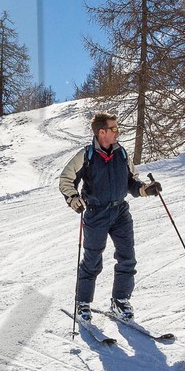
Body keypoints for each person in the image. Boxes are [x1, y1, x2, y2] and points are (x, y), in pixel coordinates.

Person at [57, 111, 162, 322]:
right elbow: (66, 179)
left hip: (120, 212)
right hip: (96, 213)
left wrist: (145, 189)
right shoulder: (85, 155)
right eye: (114, 129)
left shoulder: (122, 153)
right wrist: (73, 199)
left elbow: (132, 182)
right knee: (92, 260)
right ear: (102, 132)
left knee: (127, 258)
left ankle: (120, 301)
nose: (118, 132)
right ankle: (83, 303)